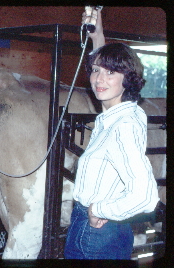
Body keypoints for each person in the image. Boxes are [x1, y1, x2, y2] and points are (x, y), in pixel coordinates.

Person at [64, 8, 160, 259]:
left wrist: (101, 209)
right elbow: (102, 62)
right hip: (95, 229)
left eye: (110, 72)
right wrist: (98, 35)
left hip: (97, 234)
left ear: (127, 78)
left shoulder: (123, 125)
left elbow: (146, 197)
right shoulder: (116, 115)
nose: (99, 79)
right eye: (95, 70)